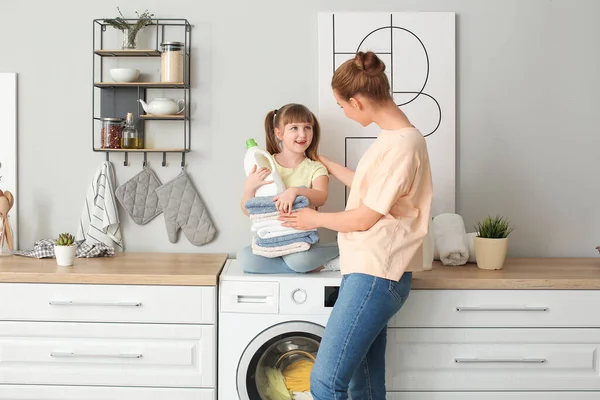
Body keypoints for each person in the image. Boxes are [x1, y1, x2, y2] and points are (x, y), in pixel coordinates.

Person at [279, 51, 433, 399]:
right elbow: (372, 191)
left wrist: (313, 218)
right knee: (361, 384)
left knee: (324, 383)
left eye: (342, 106)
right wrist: (329, 165)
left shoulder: (403, 145)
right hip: (372, 272)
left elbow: (365, 216)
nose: (344, 113)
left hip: (375, 275)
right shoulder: (394, 137)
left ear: (357, 101)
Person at [237, 103, 339, 274]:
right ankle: (313, 266)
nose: (302, 133)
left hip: (300, 239)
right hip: (271, 238)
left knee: (300, 259)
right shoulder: (265, 164)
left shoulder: (315, 168)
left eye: (307, 127)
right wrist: (249, 189)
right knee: (246, 260)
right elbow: (249, 210)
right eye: (294, 128)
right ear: (279, 133)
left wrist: (295, 191)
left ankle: (341, 250)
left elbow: (321, 197)